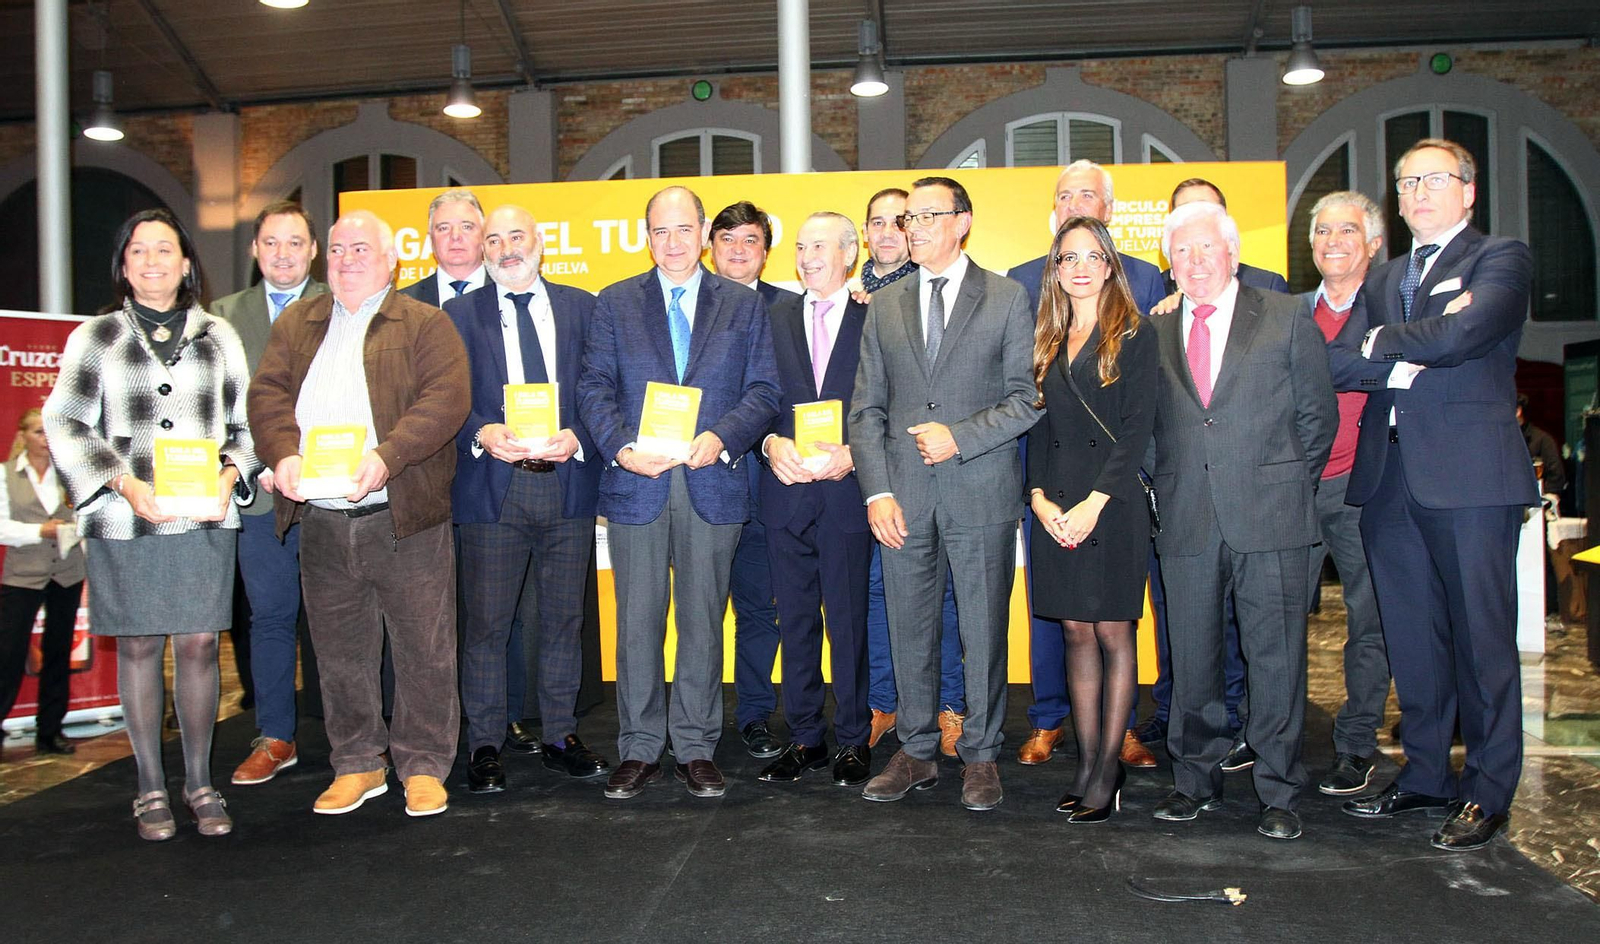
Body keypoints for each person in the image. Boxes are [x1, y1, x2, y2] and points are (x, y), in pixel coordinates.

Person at [1333, 139, 1537, 852]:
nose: (1417, 192)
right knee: (1412, 640)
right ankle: (1425, 774)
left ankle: (1488, 790)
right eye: (1407, 182)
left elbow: (1466, 335)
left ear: (1468, 191)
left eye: (1434, 179)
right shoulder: (1386, 275)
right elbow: (1338, 360)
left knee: (1482, 642)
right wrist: (1396, 359)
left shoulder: (1500, 258)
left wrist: (1383, 341)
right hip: (1389, 481)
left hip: (1471, 480)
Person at [43, 208, 260, 840]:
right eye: (138, 251)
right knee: (138, 645)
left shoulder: (219, 335)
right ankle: (149, 787)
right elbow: (65, 421)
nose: (152, 261)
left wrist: (228, 478)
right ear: (124, 265)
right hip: (124, 517)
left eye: (164, 249)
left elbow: (246, 425)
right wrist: (125, 483)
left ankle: (199, 782)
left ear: (186, 263)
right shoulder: (96, 336)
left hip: (202, 517)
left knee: (198, 645)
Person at [248, 209, 470, 819]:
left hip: (404, 515)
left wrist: (387, 456)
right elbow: (266, 396)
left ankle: (423, 765)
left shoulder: (426, 323)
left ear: (392, 259)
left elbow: (446, 400)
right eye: (339, 249)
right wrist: (283, 454)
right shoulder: (297, 322)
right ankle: (357, 763)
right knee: (339, 652)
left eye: (361, 248)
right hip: (321, 520)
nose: (347, 259)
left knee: (424, 649)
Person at [577, 185, 780, 801]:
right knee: (637, 624)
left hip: (711, 482)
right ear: (647, 237)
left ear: (703, 234)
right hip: (637, 482)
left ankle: (695, 746)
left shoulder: (742, 305)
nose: (672, 242)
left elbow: (764, 391)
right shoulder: (615, 302)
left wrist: (722, 436)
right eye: (660, 231)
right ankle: (639, 747)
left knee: (701, 623)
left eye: (683, 229)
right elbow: (593, 386)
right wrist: (620, 448)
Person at [1146, 200, 1335, 841]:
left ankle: (1278, 790)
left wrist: (1285, 484)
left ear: (1233, 253)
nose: (1195, 261)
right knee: (1192, 659)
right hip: (1186, 519)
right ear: (1169, 262)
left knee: (1275, 659)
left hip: (1273, 516)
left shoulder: (1285, 315)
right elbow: (1146, 430)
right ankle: (1194, 781)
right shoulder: (1152, 331)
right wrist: (1164, 487)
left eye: (1206, 247)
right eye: (1182, 251)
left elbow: (1317, 417)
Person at [852, 176, 1040, 811]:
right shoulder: (886, 305)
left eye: (928, 215)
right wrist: (877, 492)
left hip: (981, 490)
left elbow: (1027, 399)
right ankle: (916, 750)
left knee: (983, 629)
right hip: (902, 497)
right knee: (908, 627)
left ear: (963, 221)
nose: (913, 228)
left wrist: (959, 437)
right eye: (909, 218)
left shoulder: (1007, 297)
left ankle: (981, 755)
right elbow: (866, 411)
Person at [445, 203, 609, 794]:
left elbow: (603, 387)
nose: (506, 248)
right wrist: (481, 431)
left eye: (517, 236)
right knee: (488, 626)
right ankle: (485, 744)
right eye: (494, 239)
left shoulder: (583, 307)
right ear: (483, 250)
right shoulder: (456, 314)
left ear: (540, 242)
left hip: (567, 485)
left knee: (564, 621)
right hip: (494, 489)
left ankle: (561, 736)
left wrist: (581, 435)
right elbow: (444, 396)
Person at [1008, 159, 1163, 771]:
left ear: (1110, 265)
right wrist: (1039, 500)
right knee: (1074, 631)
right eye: (1067, 257)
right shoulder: (1045, 340)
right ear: (1054, 268)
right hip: (1056, 508)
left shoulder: (1136, 333)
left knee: (1114, 633)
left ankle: (1106, 773)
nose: (1079, 267)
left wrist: (1095, 504)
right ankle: (1088, 761)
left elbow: (1137, 431)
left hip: (1111, 504)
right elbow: (1040, 430)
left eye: (1092, 257)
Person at [212, 200, 328, 786]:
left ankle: (358, 740)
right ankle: (276, 734)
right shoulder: (220, 317)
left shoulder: (344, 302)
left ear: (314, 250)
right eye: (272, 243)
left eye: (295, 242)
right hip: (258, 498)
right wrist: (250, 461)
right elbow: (213, 407)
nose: (283, 254)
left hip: (333, 493)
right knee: (272, 618)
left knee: (343, 621)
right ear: (255, 250)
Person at [755, 212, 873, 787]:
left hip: (848, 494)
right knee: (795, 622)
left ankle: (853, 738)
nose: (807, 258)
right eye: (800, 247)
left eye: (820, 246)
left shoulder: (876, 317)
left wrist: (856, 454)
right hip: (786, 494)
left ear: (849, 253)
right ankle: (805, 737)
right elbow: (752, 396)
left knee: (848, 624)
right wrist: (768, 441)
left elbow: (892, 401)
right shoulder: (769, 316)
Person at [856, 187, 967, 756]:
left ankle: (951, 708)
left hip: (956, 478)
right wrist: (877, 487)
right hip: (886, 482)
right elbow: (867, 404)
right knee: (882, 598)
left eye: (903, 220)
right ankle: (887, 706)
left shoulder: (973, 294)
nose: (893, 230)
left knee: (947, 600)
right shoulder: (867, 302)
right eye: (879, 222)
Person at [1298, 191, 1391, 796]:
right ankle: (1269, 732)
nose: (1333, 241)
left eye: (1347, 230)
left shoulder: (1393, 309)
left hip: (1363, 487)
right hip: (1297, 486)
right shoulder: (1290, 312)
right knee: (1275, 617)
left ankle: (1356, 743)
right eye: (1323, 231)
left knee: (1369, 619)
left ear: (1374, 243)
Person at [708, 200, 793, 759]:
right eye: (727, 239)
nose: (739, 250)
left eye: (750, 240)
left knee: (760, 608)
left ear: (766, 251)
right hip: (697, 484)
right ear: (710, 247)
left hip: (767, 486)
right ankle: (694, 720)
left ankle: (756, 714)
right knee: (699, 609)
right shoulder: (687, 303)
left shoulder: (791, 309)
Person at [0, 409, 87, 760]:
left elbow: (84, 516)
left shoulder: (69, 473)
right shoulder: (5, 474)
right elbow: (2, 527)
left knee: (58, 652)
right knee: (8, 654)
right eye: (38, 432)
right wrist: (40, 531)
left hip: (67, 572)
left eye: (50, 432)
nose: (45, 439)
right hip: (23, 574)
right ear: (23, 435)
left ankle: (50, 731)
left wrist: (72, 530)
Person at [1163, 179, 1290, 293]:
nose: (1196, 220)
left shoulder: (1266, 285)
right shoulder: (1157, 288)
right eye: (1184, 213)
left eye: (1207, 211)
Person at [401, 188, 489, 305]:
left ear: (484, 235)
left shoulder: (507, 290)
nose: (455, 236)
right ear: (430, 239)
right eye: (444, 228)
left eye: (466, 227)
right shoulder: (403, 303)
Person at [1518, 394, 1565, 499]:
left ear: (1518, 411)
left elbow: (1556, 475)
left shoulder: (1542, 440)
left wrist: (1543, 496)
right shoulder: (1501, 439)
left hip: (1535, 501)